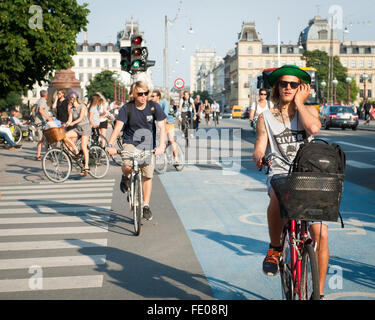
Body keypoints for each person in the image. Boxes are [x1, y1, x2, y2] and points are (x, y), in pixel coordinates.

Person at [252, 65, 327, 299]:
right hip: (280, 172)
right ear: (276, 87)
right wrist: (259, 157)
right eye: (283, 83)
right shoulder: (265, 117)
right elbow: (260, 145)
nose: (287, 87)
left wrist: (301, 103)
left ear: (301, 88)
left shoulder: (308, 111)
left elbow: (314, 128)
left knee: (321, 235)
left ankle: (320, 293)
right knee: (277, 193)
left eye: (293, 84)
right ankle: (275, 248)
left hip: (308, 175)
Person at [107, 81, 166, 221]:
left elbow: (162, 127)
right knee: (127, 165)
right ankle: (126, 177)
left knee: (147, 175)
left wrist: (162, 145)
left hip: (147, 145)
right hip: (130, 142)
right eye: (140, 94)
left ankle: (146, 205)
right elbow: (118, 127)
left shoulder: (154, 107)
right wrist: (110, 144)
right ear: (134, 94)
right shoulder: (127, 108)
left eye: (146, 93)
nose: (143, 96)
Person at [65, 91, 91, 175]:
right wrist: (66, 124)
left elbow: (80, 118)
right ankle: (76, 150)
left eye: (69, 99)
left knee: (83, 147)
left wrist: (72, 123)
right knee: (65, 136)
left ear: (72, 99)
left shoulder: (82, 106)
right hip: (77, 128)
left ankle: (86, 167)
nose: (68, 101)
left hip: (85, 128)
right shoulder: (71, 109)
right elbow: (69, 119)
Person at [151, 89, 179, 164]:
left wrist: (162, 127)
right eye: (151, 96)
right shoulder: (152, 105)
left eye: (153, 96)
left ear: (158, 97)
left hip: (169, 122)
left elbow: (165, 115)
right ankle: (159, 154)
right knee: (159, 140)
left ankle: (176, 158)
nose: (152, 98)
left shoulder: (165, 103)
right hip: (160, 123)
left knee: (171, 140)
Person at [35, 90, 53, 160]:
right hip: (40, 123)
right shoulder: (42, 101)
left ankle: (42, 154)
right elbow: (40, 110)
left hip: (41, 122)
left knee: (43, 139)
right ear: (46, 95)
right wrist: (48, 118)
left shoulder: (40, 100)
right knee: (41, 139)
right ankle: (38, 156)